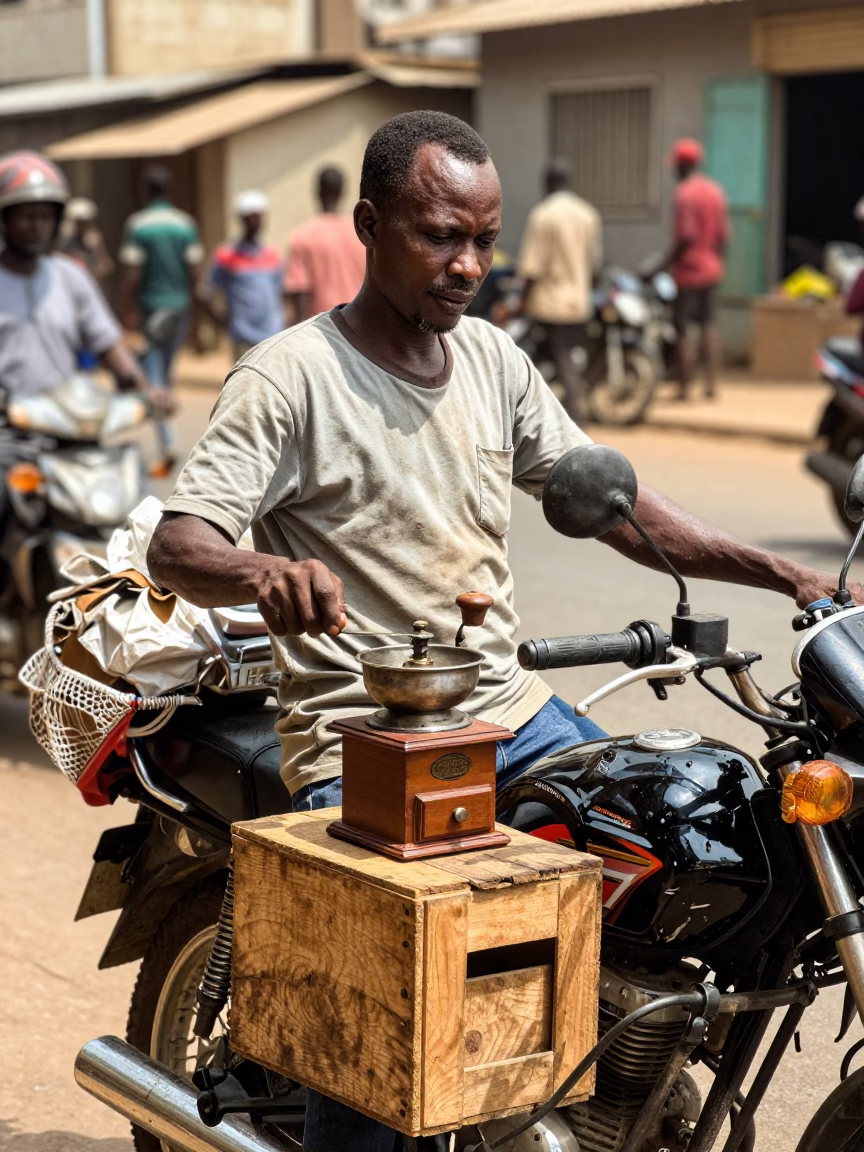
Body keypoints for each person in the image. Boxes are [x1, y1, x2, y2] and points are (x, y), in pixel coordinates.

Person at [147, 111, 858, 1151]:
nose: (469, 264)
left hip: (510, 713)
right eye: (440, 235)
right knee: (389, 1002)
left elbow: (616, 506)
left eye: (484, 239)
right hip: (362, 737)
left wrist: (786, 573)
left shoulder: (491, 360)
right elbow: (179, 544)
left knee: (702, 848)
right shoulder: (289, 376)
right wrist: (264, 568)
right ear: (370, 224)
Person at [0, 150, 159, 407]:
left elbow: (107, 342)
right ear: (4, 220)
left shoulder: (69, 275)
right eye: (26, 216)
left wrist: (142, 386)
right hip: (8, 432)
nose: (37, 226)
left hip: (66, 418)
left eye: (45, 216)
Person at [118, 165, 203, 477]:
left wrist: (125, 312)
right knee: (162, 374)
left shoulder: (138, 226)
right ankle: (167, 435)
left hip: (151, 311)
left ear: (145, 190)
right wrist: (196, 322)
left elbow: (132, 273)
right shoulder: (185, 225)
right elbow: (195, 274)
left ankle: (167, 441)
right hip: (179, 310)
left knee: (155, 378)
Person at [518, 159, 602, 422]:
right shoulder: (588, 214)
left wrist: (522, 297)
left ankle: (575, 413)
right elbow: (595, 261)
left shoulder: (543, 215)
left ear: (547, 183)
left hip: (550, 302)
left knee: (558, 357)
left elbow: (532, 265)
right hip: (579, 301)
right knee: (566, 355)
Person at [662, 139, 731, 401]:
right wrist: (717, 261)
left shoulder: (684, 194)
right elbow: (725, 236)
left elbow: (686, 236)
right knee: (709, 325)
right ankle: (712, 385)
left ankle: (684, 386)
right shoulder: (715, 192)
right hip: (712, 269)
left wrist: (666, 263)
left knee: (681, 328)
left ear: (681, 165)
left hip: (689, 272)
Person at [201, 190, 284, 363]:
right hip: (243, 338)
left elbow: (281, 294)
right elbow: (206, 293)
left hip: (273, 336)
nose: (254, 222)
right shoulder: (226, 255)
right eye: (250, 218)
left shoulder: (272, 255)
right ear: (241, 220)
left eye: (258, 217)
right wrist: (221, 322)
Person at [283, 165, 366, 322]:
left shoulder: (303, 235)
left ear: (317, 191)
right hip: (361, 331)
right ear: (342, 192)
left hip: (322, 333)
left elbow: (300, 296)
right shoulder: (361, 233)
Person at [58, 196, 114, 291]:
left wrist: (96, 252)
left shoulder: (94, 239)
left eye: (84, 222)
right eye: (78, 222)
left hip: (90, 284)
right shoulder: (64, 240)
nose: (81, 225)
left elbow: (106, 266)